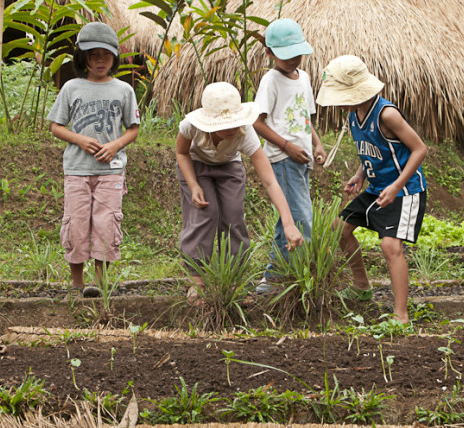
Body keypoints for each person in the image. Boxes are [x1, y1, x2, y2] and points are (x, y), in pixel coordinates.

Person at [317, 55, 428, 324]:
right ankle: (361, 286)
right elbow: (373, 150)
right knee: (338, 229)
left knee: (390, 245)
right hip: (376, 186)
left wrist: (396, 185)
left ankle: (401, 315)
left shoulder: (386, 114)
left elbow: (419, 149)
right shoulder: (355, 115)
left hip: (405, 190)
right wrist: (359, 175)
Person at [176, 82, 304, 302]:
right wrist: (194, 185)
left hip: (229, 167)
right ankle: (196, 280)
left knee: (233, 218)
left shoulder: (245, 134)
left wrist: (289, 222)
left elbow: (270, 181)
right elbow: (181, 153)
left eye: (234, 122)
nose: (232, 128)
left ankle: (234, 280)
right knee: (204, 217)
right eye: (225, 124)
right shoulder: (190, 126)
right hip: (196, 165)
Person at [48, 22, 140, 298]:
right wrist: (79, 139)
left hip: (111, 171)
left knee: (106, 223)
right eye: (93, 54)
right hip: (76, 169)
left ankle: (99, 283)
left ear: (114, 58)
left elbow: (133, 129)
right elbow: (56, 126)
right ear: (82, 57)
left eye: (106, 55)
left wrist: (115, 145)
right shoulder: (71, 88)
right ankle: (76, 283)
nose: (100, 60)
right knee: (75, 222)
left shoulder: (124, 90)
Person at [252, 18, 326, 293]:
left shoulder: (304, 78)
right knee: (299, 218)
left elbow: (306, 117)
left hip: (302, 158)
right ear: (269, 53)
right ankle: (280, 279)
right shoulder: (270, 80)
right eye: (286, 56)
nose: (293, 60)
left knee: (292, 218)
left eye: (296, 54)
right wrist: (286, 146)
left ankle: (276, 278)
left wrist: (316, 144)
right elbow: (256, 123)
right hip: (283, 159)